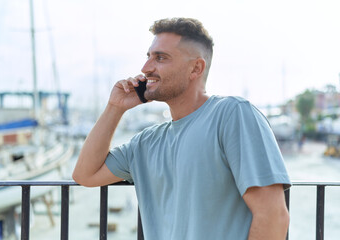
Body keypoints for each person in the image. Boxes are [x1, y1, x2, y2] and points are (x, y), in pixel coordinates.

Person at [72, 17, 291, 239]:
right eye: (148, 57)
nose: (146, 68)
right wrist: (114, 108)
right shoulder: (146, 142)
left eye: (160, 58)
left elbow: (272, 216)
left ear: (196, 68)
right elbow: (85, 175)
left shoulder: (232, 114)